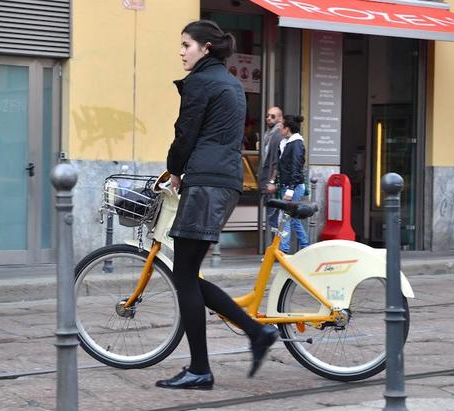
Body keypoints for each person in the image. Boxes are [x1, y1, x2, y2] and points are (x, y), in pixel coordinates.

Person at [156, 20, 279, 391]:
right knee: (187, 273)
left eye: (186, 45)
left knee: (184, 274)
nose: (181, 51)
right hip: (224, 182)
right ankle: (254, 333)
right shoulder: (231, 83)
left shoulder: (200, 82)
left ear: (205, 48)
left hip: (207, 183)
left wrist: (174, 169)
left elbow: (186, 132)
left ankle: (201, 368)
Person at [271, 114, 309, 253]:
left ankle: (282, 251)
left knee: (284, 218)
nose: (279, 128)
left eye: (281, 126)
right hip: (289, 185)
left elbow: (296, 167)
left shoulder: (296, 144)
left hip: (294, 186)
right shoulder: (286, 143)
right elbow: (283, 166)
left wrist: (290, 189)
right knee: (293, 219)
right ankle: (305, 247)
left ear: (287, 129)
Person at [258, 107, 283, 233]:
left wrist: (273, 181)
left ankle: (277, 248)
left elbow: (277, 161)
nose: (268, 118)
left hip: (273, 183)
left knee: (274, 218)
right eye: (268, 116)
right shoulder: (269, 134)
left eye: (273, 116)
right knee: (273, 217)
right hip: (268, 180)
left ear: (280, 118)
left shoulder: (278, 135)